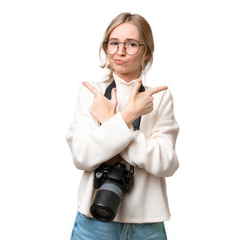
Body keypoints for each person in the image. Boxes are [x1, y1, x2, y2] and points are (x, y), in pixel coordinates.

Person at [66, 12, 179, 240]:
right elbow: (82, 156)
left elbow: (167, 163)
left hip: (147, 226)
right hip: (93, 222)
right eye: (114, 43)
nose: (120, 51)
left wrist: (112, 121)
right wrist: (130, 116)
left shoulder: (159, 98)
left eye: (131, 44)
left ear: (146, 52)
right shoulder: (93, 94)